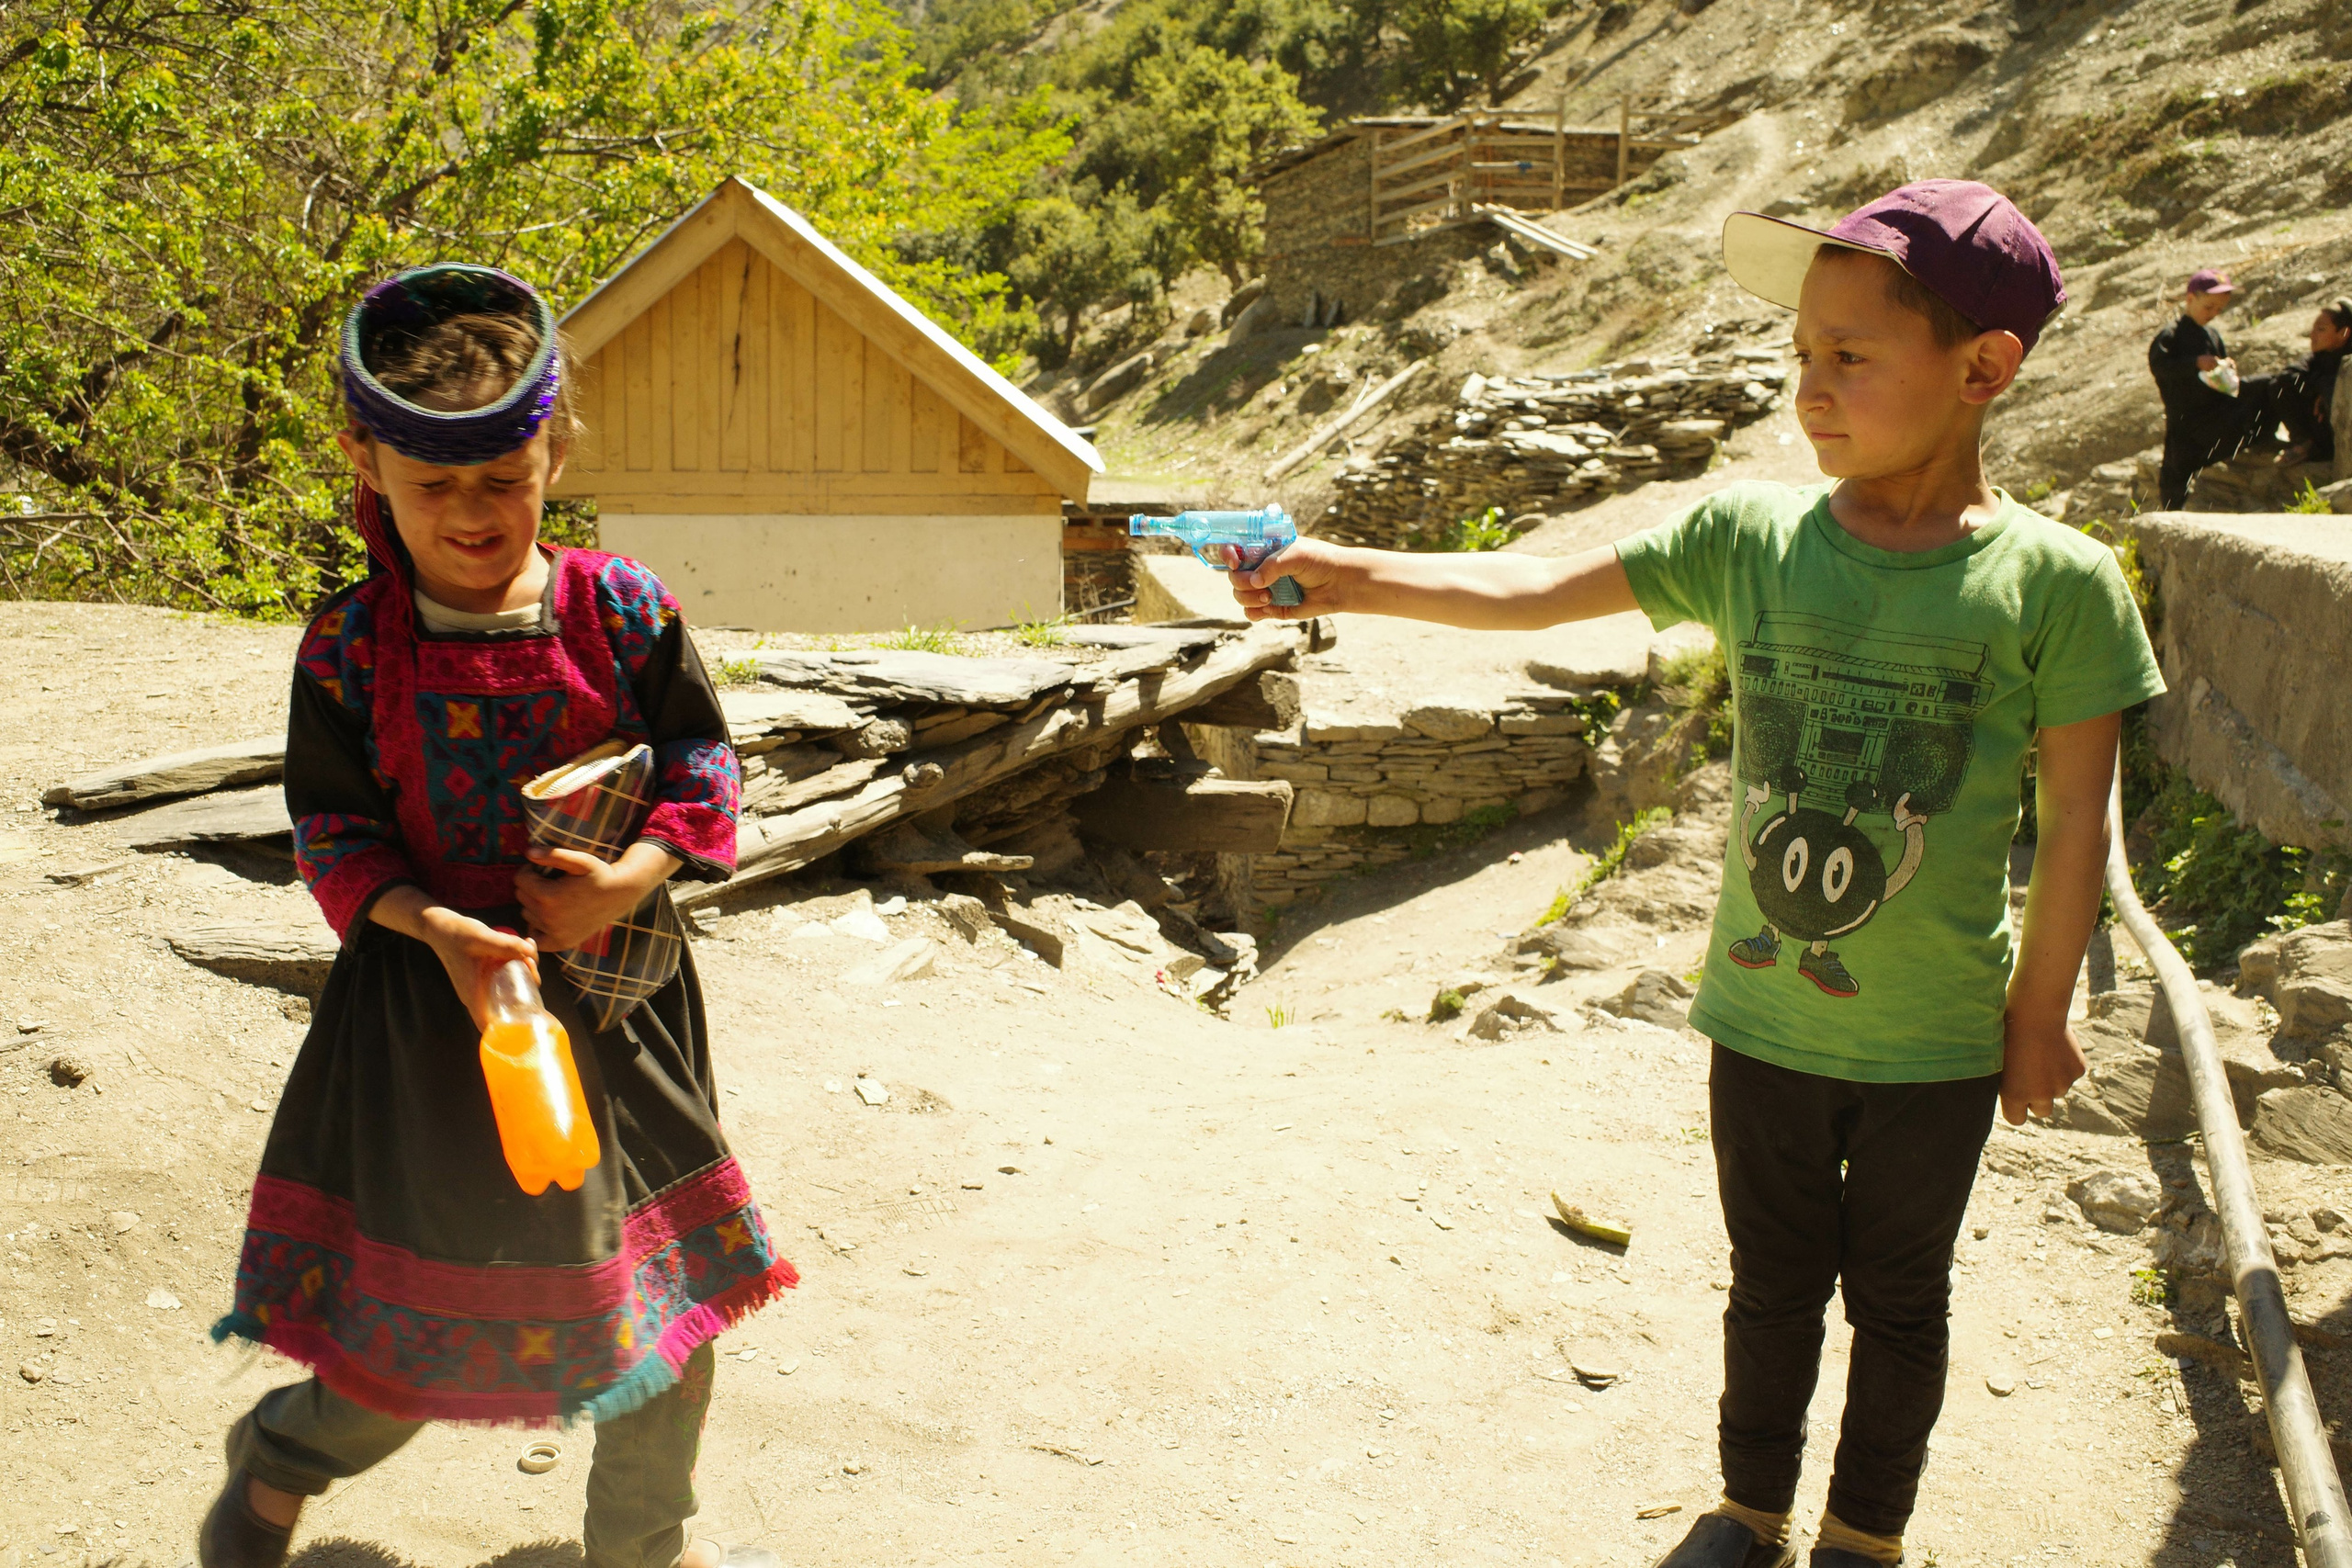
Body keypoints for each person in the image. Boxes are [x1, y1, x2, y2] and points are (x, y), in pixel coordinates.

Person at [1227, 181, 2163, 1568]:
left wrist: (2039, 1010)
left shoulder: (2060, 583)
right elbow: (1534, 590)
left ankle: (1865, 1532)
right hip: (1762, 1018)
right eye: (1803, 354)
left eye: (1852, 354)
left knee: (1901, 1299)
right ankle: (1749, 1510)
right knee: (1771, 1286)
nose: (1814, 387)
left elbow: (2081, 821)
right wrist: (1345, 572)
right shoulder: (1752, 538)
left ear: (1984, 368)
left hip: (1937, 1043)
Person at [199, 265, 796, 1568]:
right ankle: (281, 1460)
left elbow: (702, 767)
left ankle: (640, 1542)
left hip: (617, 1003)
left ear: (558, 448)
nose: (472, 514)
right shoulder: (349, 647)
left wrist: (628, 879)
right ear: (364, 458)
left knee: (662, 1306)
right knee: (412, 1327)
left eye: (505, 480)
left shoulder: (621, 609)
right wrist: (440, 929)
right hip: (429, 1021)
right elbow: (335, 831)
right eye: (434, 487)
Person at [2147, 268, 2260, 508]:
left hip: (2215, 414)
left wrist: (2225, 368)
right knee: (2177, 476)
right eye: (2209, 307)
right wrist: (2194, 364)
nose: (2214, 314)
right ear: (2190, 299)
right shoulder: (2171, 336)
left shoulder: (2212, 335)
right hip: (2185, 418)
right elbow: (2160, 367)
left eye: (2219, 309)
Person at [2241, 296, 2351, 467]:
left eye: (2321, 330)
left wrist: (2326, 393)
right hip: (2316, 427)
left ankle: (2312, 447)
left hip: (2335, 437)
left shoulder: (2347, 362)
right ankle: (2265, 438)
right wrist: (2315, 392)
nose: (2312, 336)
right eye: (2313, 329)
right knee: (2273, 384)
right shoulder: (2318, 358)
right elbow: (2288, 375)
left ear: (2344, 333)